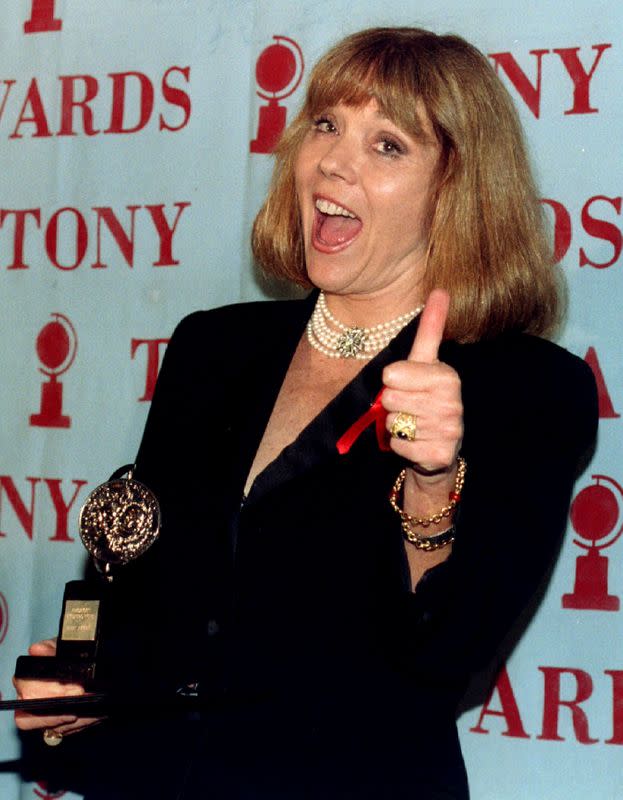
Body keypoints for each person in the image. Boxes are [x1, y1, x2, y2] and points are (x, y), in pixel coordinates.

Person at [14, 27, 597, 799]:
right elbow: (127, 561)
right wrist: (75, 678)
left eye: (386, 145)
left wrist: (432, 481)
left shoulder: (523, 387)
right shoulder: (212, 347)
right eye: (325, 124)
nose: (330, 160)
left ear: (454, 192)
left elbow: (445, 664)